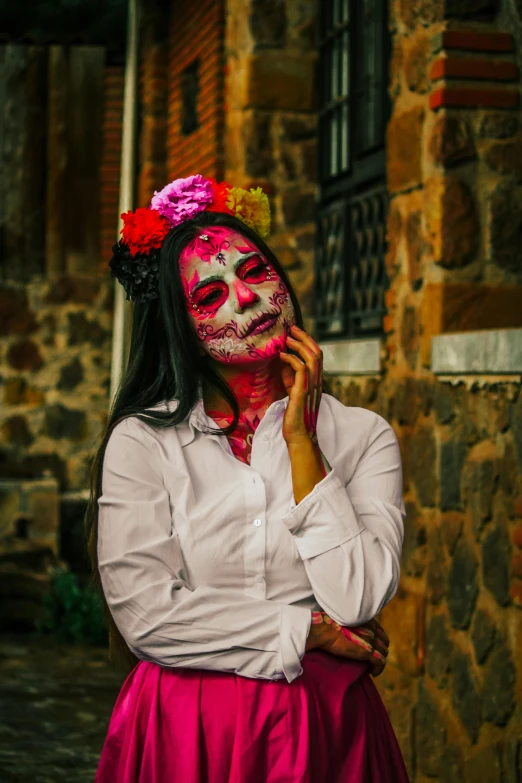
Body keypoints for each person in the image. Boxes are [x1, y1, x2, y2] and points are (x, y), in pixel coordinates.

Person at [86, 174, 410, 783]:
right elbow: (147, 617)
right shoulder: (142, 441)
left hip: (327, 731)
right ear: (182, 328)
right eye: (210, 296)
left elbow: (360, 599)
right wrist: (310, 632)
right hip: (186, 730)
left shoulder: (364, 436)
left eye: (255, 272)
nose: (246, 299)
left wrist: (303, 444)